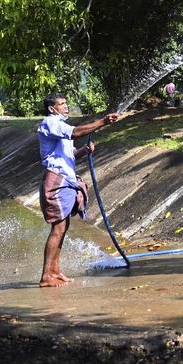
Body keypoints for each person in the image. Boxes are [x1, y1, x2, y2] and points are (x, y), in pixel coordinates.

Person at [37, 94, 120, 287]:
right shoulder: (51, 122)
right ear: (52, 108)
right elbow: (75, 132)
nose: (66, 107)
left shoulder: (58, 126)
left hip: (66, 179)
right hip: (56, 180)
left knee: (62, 228)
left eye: (66, 103)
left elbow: (67, 155)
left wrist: (83, 151)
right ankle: (46, 275)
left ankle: (55, 271)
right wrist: (103, 121)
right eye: (61, 104)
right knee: (57, 229)